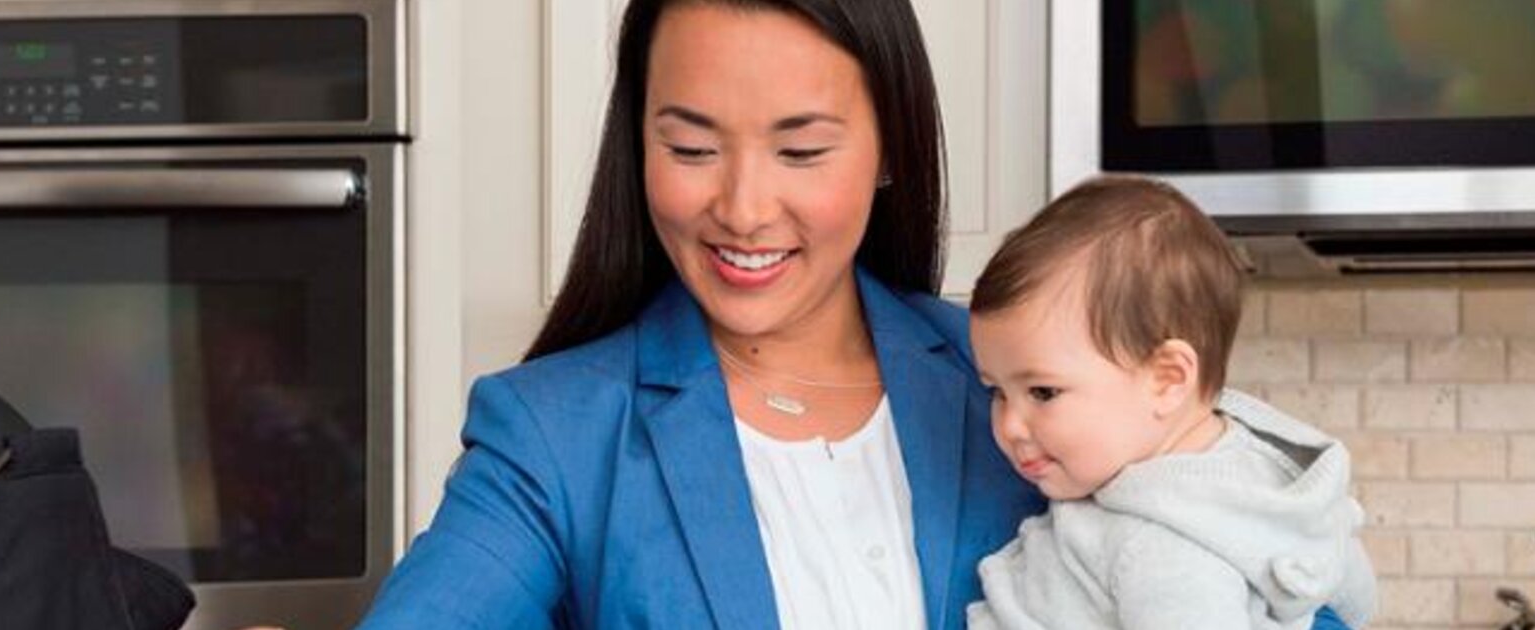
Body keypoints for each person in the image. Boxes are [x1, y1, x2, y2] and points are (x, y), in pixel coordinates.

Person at [358, 1, 1354, 628]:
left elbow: (1267, 573)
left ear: (887, 154)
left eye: (802, 151)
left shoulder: (1028, 386)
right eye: (693, 146)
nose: (744, 208)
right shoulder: (552, 434)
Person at [964, 176, 1377, 629]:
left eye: (1043, 392)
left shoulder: (1163, 550)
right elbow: (1354, 597)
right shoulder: (1280, 486)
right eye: (997, 392)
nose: (1010, 425)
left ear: (1167, 379)